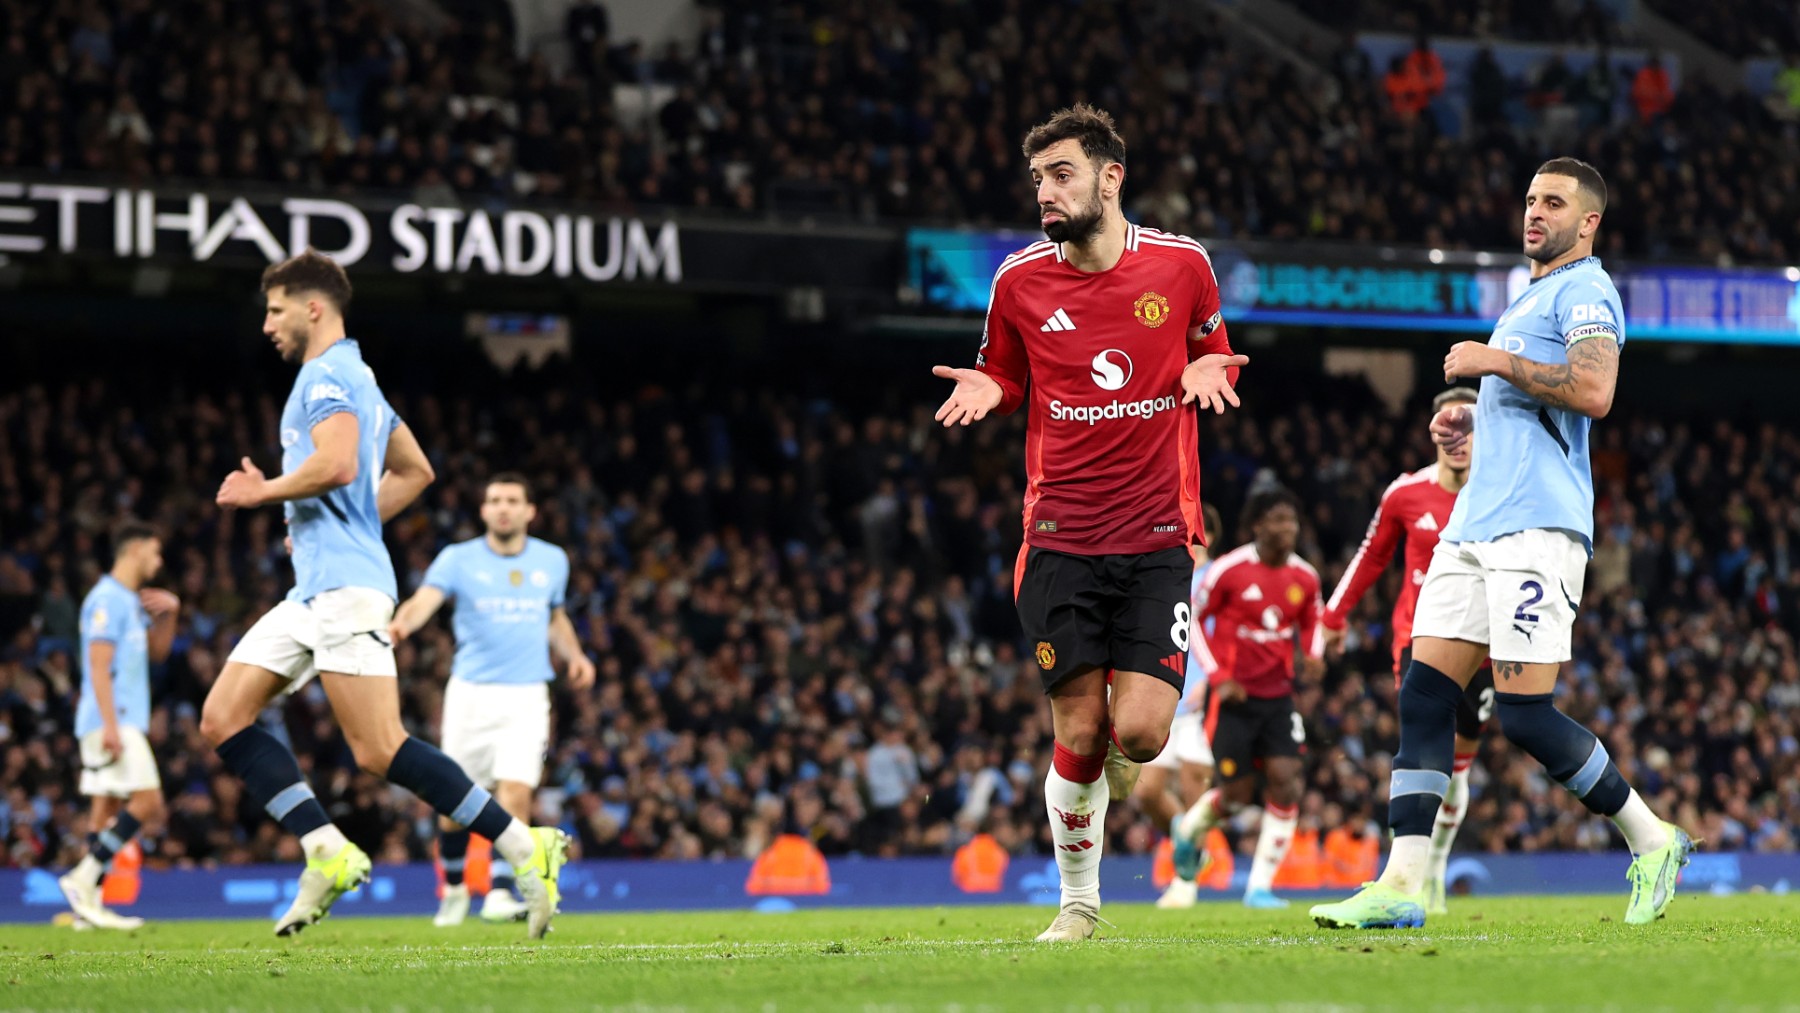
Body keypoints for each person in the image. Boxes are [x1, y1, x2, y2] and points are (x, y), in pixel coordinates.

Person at [1312, 158, 1693, 930]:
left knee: (1522, 716)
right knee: (1423, 694)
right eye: (1529, 200)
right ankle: (1402, 885)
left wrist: (1493, 363)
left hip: (1536, 530)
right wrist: (1476, 423)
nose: (1534, 213)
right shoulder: (1532, 296)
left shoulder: (1587, 290)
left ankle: (1651, 837)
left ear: (1589, 222)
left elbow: (1594, 391)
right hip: (1474, 524)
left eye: (1554, 203)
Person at [932, 103, 1245, 941]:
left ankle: (1113, 765)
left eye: (1061, 173)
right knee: (1077, 727)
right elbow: (1002, 371)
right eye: (1038, 177)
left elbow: (1212, 342)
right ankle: (1079, 904)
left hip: (1155, 538)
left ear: (1111, 178)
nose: (1045, 191)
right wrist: (988, 389)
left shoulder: (1182, 266)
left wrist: (1211, 359)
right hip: (1059, 540)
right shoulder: (1018, 281)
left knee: (1139, 734)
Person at [200, 249, 568, 939]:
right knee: (222, 717)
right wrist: (331, 521)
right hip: (313, 589)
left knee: (379, 747)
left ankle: (525, 845)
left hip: (345, 589)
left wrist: (266, 492)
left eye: (276, 309)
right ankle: (324, 848)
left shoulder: (325, 376)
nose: (268, 325)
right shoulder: (359, 375)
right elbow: (415, 469)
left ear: (314, 307)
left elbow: (338, 463)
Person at [388, 473, 596, 927]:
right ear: (483, 511)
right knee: (454, 802)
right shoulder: (457, 559)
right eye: (495, 500)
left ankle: (501, 892)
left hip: (527, 694)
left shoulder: (552, 560)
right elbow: (424, 600)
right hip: (471, 695)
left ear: (529, 511)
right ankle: (457, 889)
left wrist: (575, 655)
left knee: (516, 791)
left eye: (512, 500)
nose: (503, 507)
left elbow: (554, 616)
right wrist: (402, 625)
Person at [1321, 387, 1482, 915]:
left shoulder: (1500, 493)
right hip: (1419, 638)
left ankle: (1433, 867)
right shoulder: (1405, 494)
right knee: (1424, 743)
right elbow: (1370, 557)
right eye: (1447, 428)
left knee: (1459, 768)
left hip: (1484, 641)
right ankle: (1412, 874)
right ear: (1433, 433)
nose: (1458, 439)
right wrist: (1333, 615)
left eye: (1470, 428)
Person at [1171, 487, 1324, 910]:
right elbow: (1194, 620)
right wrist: (1218, 675)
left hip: (1278, 697)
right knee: (1236, 795)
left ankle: (1259, 887)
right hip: (1233, 700)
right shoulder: (1229, 570)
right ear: (1258, 524)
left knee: (1286, 781)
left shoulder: (1305, 576)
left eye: (1291, 520)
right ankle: (1187, 832)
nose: (1286, 528)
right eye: (1277, 519)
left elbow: (1313, 621)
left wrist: (1313, 655)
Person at [58, 523, 178, 930]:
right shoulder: (106, 599)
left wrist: (171, 614)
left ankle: (85, 911)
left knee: (104, 811)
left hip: (119, 718)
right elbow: (96, 664)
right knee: (148, 803)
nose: (158, 562)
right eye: (156, 553)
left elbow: (157, 653)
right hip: (112, 719)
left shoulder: (129, 602)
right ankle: (83, 879)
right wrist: (110, 725)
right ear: (137, 550)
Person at [1142, 504, 1222, 910]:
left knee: (1193, 787)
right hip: (1164, 692)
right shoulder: (1165, 571)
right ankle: (1189, 848)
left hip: (1201, 698)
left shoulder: (1218, 576)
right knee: (1148, 790)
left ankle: (1185, 881)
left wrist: (1213, 682)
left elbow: (1226, 635)